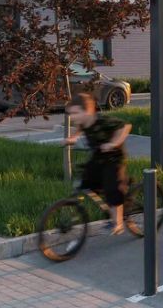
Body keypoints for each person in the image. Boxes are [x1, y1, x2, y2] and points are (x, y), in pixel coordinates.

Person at [65, 93, 132, 234]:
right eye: (71, 114)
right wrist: (73, 138)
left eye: (75, 113)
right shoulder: (83, 122)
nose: (73, 117)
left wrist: (113, 143)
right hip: (99, 156)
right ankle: (110, 205)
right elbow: (80, 128)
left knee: (112, 188)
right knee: (86, 182)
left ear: (87, 111)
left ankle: (118, 223)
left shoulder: (102, 120)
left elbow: (125, 127)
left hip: (114, 158)